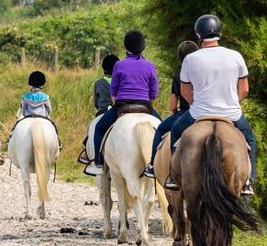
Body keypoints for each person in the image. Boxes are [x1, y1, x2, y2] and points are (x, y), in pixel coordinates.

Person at [164, 14, 256, 196]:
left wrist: (196, 104)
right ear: (219, 33)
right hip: (231, 113)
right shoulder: (235, 56)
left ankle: (172, 177)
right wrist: (230, 103)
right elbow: (244, 89)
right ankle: (247, 181)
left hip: (199, 112)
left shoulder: (191, 59)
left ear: (199, 35)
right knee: (251, 140)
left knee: (175, 132)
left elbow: (184, 91)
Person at [90, 30, 162, 174]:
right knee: (163, 130)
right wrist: (147, 102)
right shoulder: (150, 65)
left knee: (98, 128)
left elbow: (114, 90)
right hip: (145, 105)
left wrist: (116, 103)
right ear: (143, 46)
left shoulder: (119, 65)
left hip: (122, 105)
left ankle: (97, 163)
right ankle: (160, 165)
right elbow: (154, 92)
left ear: (126, 46)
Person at [142, 40, 199, 178]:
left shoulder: (178, 77)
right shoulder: (204, 72)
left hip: (187, 113)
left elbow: (173, 106)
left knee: (161, 128)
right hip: (209, 112)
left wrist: (175, 112)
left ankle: (153, 166)